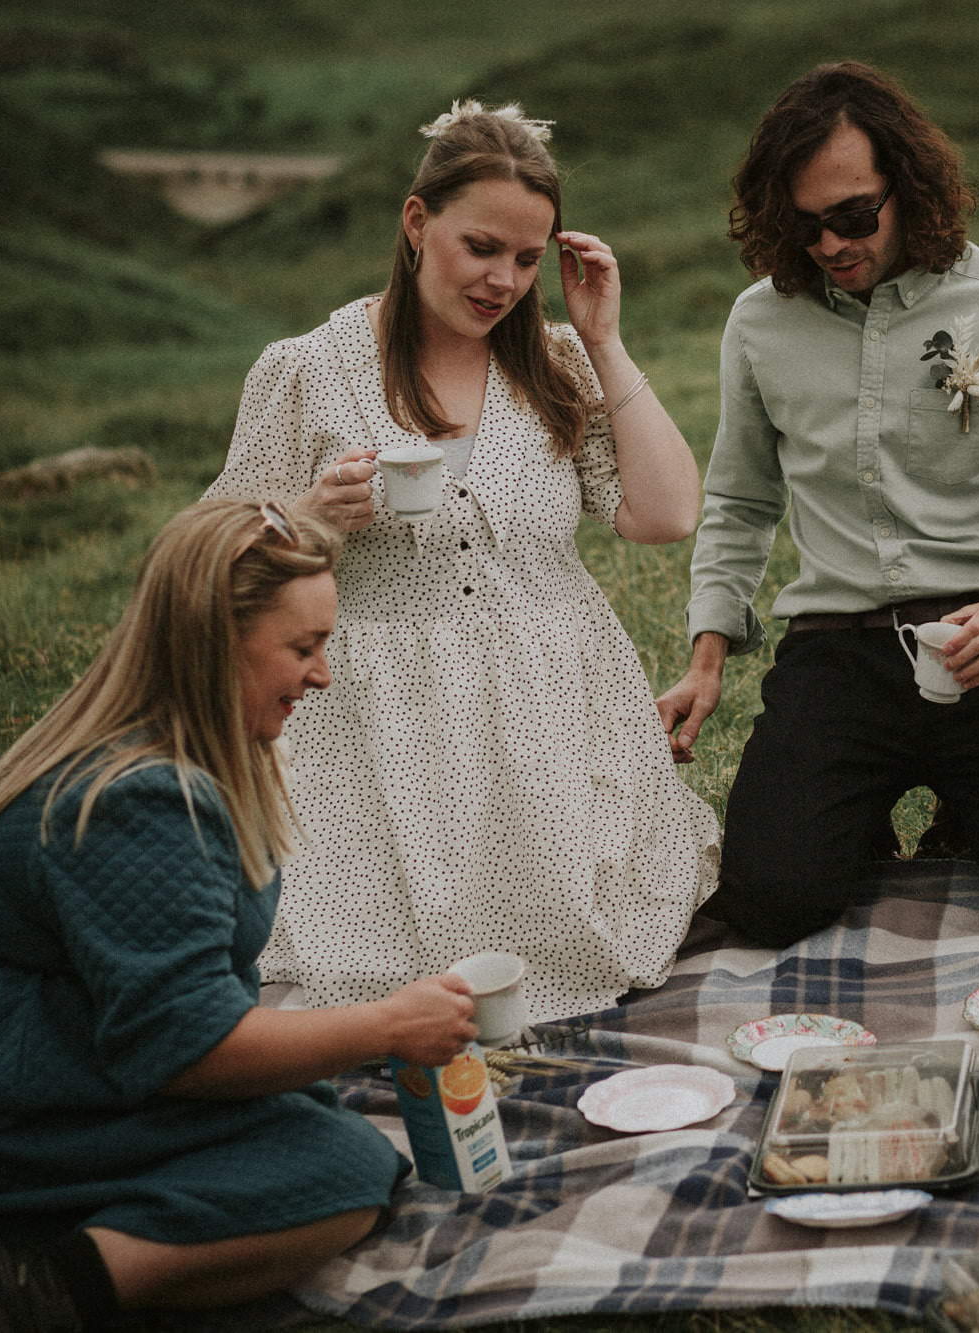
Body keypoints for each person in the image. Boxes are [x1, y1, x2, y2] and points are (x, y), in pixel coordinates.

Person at [0, 500, 480, 1330]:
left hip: (69, 1062)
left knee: (325, 1132)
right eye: (303, 647)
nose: (323, 674)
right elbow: (186, 1047)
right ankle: (28, 1290)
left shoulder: (180, 752)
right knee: (338, 1177)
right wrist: (387, 1025)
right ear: (213, 640)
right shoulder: (143, 798)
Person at [204, 100, 718, 1023]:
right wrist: (311, 516)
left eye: (528, 259)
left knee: (573, 940)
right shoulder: (312, 369)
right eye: (482, 247)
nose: (504, 281)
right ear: (416, 223)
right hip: (377, 725)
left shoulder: (555, 362)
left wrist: (603, 337)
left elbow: (666, 512)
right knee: (370, 968)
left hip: (554, 710)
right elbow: (207, 557)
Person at [654, 61, 979, 946]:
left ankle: (969, 811)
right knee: (771, 904)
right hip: (837, 651)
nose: (831, 244)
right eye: (804, 226)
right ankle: (857, 813)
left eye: (853, 215)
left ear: (909, 188)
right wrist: (708, 654)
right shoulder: (760, 321)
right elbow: (740, 496)